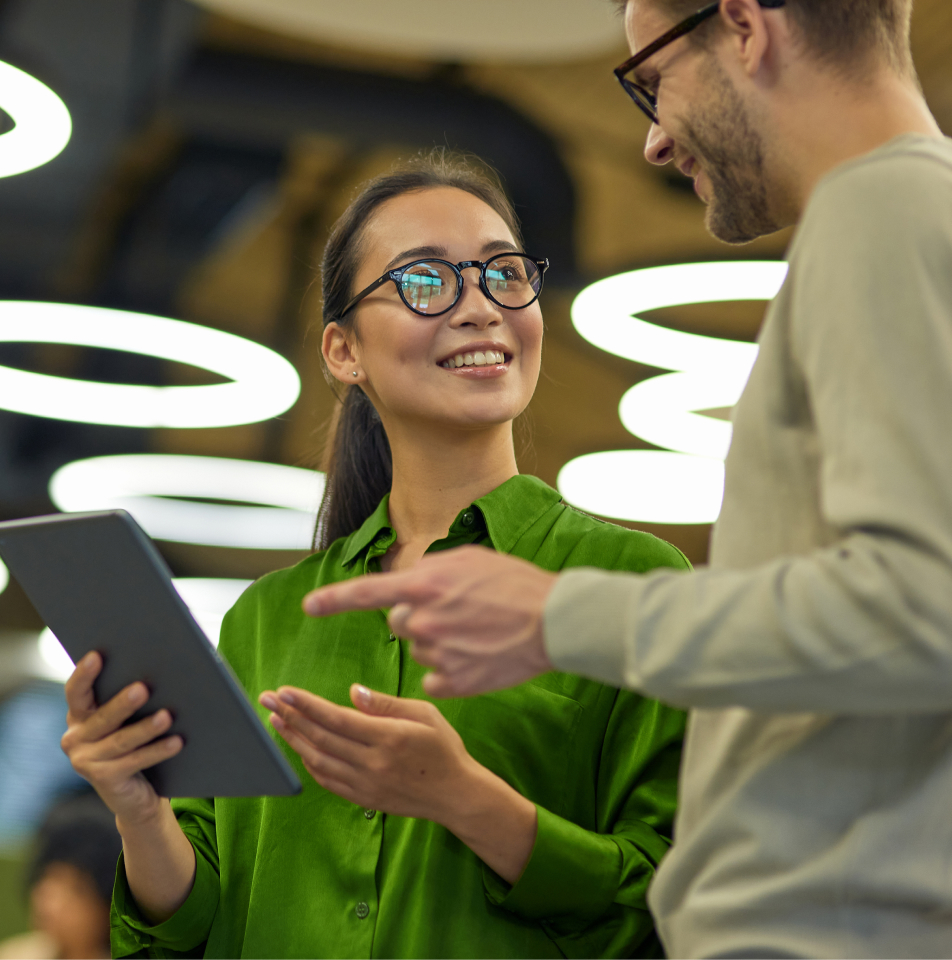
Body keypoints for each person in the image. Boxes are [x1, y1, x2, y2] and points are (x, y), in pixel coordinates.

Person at [300, 2, 952, 957]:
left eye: (652, 77)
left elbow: (923, 605)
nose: (651, 139)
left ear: (742, 24)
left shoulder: (882, 211)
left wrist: (559, 619)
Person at [60, 154, 692, 958]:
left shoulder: (632, 586)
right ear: (342, 351)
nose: (480, 308)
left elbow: (670, 908)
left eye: (503, 274)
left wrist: (467, 800)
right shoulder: (267, 618)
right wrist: (136, 807)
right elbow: (191, 925)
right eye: (427, 282)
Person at [0, 793, 121, 960]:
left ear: (108, 907)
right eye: (47, 878)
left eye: (77, 889)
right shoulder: (10, 956)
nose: (51, 901)